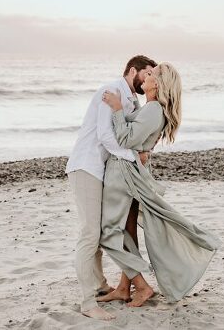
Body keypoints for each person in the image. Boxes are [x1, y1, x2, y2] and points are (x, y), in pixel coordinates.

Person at [98, 63, 220, 306]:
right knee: (127, 229)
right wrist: (141, 148)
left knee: (108, 231)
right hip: (130, 172)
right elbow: (138, 140)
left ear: (158, 84)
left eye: (152, 74)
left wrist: (117, 108)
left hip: (125, 175)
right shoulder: (151, 108)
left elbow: (125, 138)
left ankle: (141, 286)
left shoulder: (154, 110)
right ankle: (125, 288)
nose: (147, 75)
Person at [64, 54, 156, 321]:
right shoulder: (111, 90)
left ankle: (101, 285)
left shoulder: (131, 100)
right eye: (148, 72)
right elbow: (106, 135)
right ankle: (87, 303)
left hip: (102, 171)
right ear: (133, 70)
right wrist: (133, 157)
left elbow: (131, 133)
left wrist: (143, 150)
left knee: (99, 233)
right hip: (86, 166)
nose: (149, 78)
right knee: (90, 234)